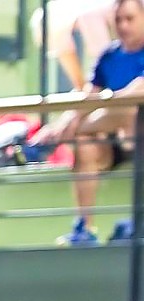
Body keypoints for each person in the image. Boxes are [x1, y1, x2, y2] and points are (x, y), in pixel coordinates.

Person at [62, 0, 144, 244]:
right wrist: (68, 121)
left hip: (138, 131)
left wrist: (86, 119)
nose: (123, 25)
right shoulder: (109, 56)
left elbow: (136, 92)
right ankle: (84, 227)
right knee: (84, 143)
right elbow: (90, 95)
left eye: (130, 18)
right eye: (118, 20)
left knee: (130, 109)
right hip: (113, 137)